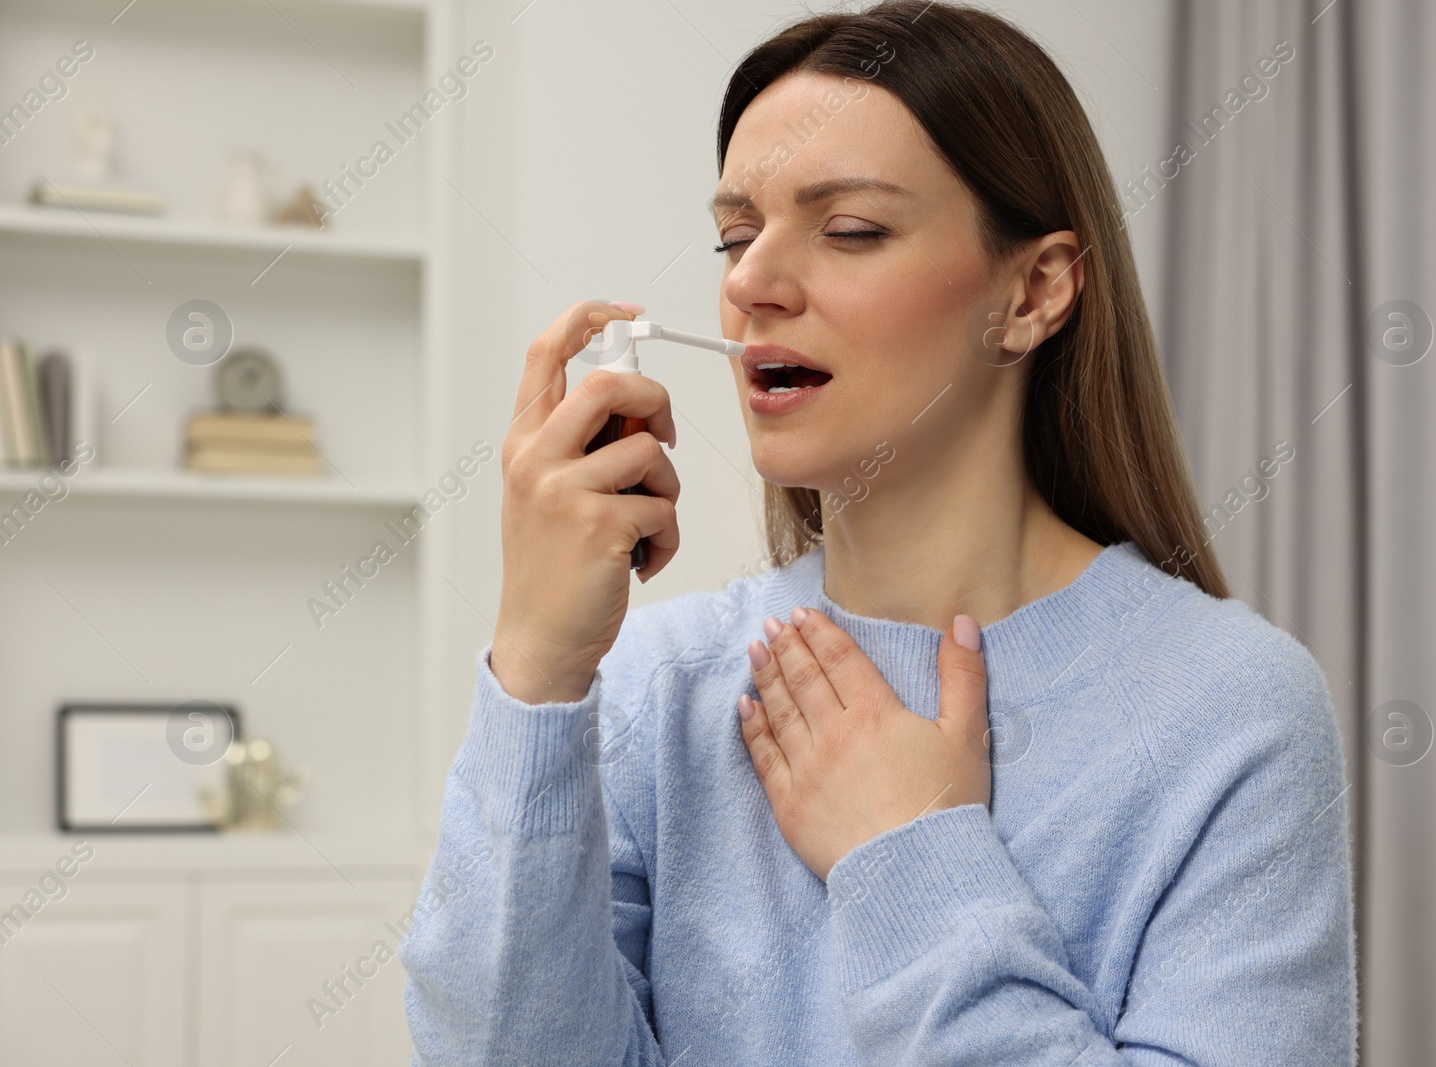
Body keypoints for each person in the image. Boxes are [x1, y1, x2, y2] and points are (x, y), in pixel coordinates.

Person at [399, 2, 1356, 1063]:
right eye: (734, 233)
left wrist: (907, 851)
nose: (750, 282)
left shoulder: (1229, 708)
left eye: (848, 228)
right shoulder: (657, 688)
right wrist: (536, 667)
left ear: (1034, 290)